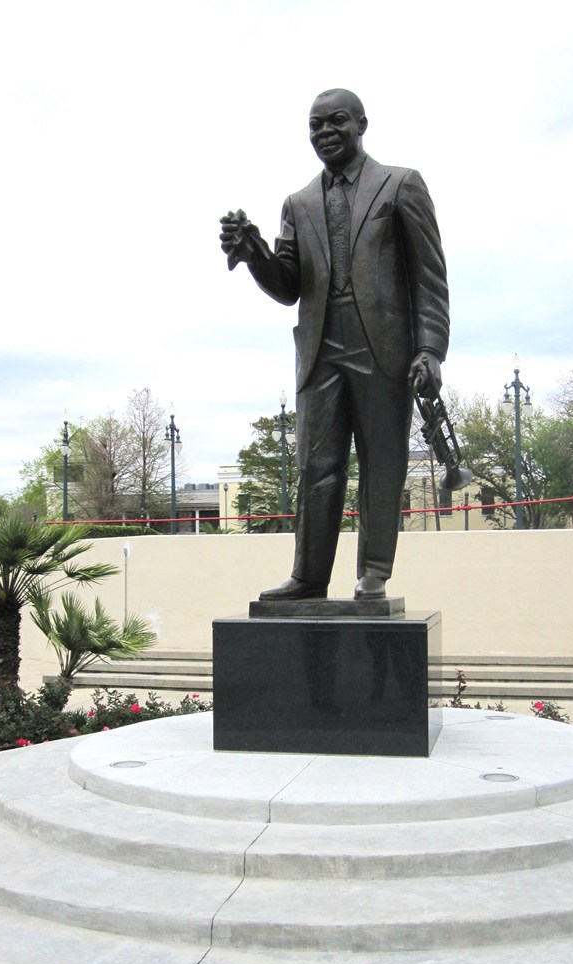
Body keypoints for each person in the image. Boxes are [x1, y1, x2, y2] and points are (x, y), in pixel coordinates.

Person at [220, 88, 449, 600]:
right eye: (315, 125)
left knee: (382, 462)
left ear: (362, 124)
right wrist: (255, 253)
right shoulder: (298, 203)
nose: (324, 132)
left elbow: (429, 278)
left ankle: (373, 573)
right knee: (316, 465)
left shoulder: (401, 185)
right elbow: (287, 287)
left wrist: (430, 348)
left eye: (335, 121)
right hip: (320, 348)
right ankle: (308, 576)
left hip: (383, 347)